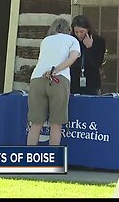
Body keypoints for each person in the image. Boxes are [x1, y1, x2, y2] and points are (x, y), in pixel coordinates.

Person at [27, 18, 80, 146]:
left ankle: (28, 160)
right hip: (58, 79)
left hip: (37, 79)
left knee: (36, 124)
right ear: (68, 29)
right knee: (56, 124)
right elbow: (73, 57)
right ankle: (52, 160)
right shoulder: (72, 40)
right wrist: (55, 70)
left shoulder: (45, 40)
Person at [70, 15, 106, 95]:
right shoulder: (71, 41)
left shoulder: (99, 41)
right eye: (76, 32)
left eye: (82, 32)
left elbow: (97, 64)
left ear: (88, 29)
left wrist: (89, 48)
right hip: (74, 79)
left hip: (91, 81)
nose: (79, 35)